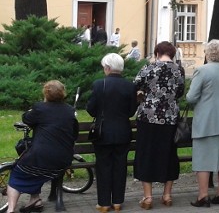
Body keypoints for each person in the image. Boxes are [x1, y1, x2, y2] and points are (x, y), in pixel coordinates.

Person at [5, 80, 79, 213]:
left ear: (46, 93)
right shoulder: (69, 110)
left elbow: (26, 118)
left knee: (18, 174)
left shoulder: (40, 108)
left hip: (41, 159)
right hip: (62, 162)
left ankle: (10, 210)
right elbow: (74, 133)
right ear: (63, 93)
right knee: (36, 170)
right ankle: (35, 200)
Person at [186, 40, 219, 207]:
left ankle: (203, 196)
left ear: (207, 53)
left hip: (206, 122)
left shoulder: (201, 70)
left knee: (203, 160)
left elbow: (191, 97)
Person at [133, 41, 185, 210]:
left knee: (145, 154)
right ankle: (167, 195)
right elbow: (180, 92)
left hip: (148, 118)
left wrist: (144, 93)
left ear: (156, 53)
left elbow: (135, 85)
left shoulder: (148, 68)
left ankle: (148, 198)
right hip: (170, 118)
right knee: (169, 155)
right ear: (172, 54)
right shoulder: (179, 70)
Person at [86, 53, 138, 213]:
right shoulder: (130, 86)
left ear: (107, 68)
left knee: (103, 167)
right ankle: (117, 202)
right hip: (123, 132)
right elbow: (131, 111)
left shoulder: (98, 84)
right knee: (120, 167)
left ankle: (104, 203)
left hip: (103, 133)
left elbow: (91, 109)